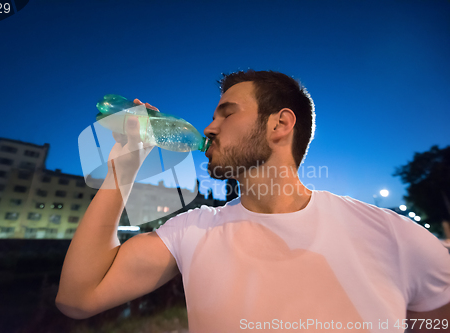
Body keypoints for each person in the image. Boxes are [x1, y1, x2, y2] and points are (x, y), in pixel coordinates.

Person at [56, 70, 450, 332]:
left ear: (280, 125)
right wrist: (121, 171)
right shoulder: (190, 232)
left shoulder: (388, 233)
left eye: (227, 114)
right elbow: (78, 298)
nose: (209, 128)